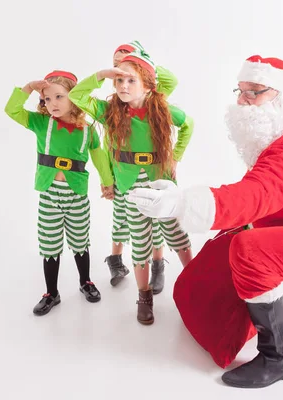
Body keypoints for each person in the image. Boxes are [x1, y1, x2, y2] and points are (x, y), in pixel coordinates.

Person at [127, 55, 283, 387]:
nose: (242, 101)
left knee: (252, 250)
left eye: (255, 92)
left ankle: (280, 358)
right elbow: (264, 199)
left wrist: (180, 203)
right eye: (241, 90)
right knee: (251, 227)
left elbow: (257, 194)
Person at [69, 48, 194, 324]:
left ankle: (196, 284)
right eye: (119, 81)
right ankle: (144, 295)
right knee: (140, 242)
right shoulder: (108, 111)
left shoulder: (161, 109)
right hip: (129, 185)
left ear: (147, 84)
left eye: (131, 80)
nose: (123, 86)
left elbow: (189, 124)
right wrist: (102, 75)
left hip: (160, 180)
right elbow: (76, 96)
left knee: (176, 233)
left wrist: (176, 156)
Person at [4, 70, 113, 316]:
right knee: (50, 243)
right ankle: (51, 293)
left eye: (58, 97)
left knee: (80, 240)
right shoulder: (41, 123)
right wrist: (28, 87)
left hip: (77, 195)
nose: (51, 103)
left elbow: (99, 157)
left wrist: (108, 183)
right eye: (46, 99)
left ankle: (85, 281)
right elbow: (12, 110)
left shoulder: (88, 130)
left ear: (74, 97)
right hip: (50, 194)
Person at [104, 40, 180, 295]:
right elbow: (104, 146)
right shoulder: (113, 104)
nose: (120, 73)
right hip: (120, 170)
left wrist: (141, 59)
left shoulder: (150, 98)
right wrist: (107, 176)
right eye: (116, 67)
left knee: (154, 221)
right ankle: (116, 260)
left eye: (126, 66)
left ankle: (157, 264)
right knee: (121, 219)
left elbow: (169, 81)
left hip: (152, 169)